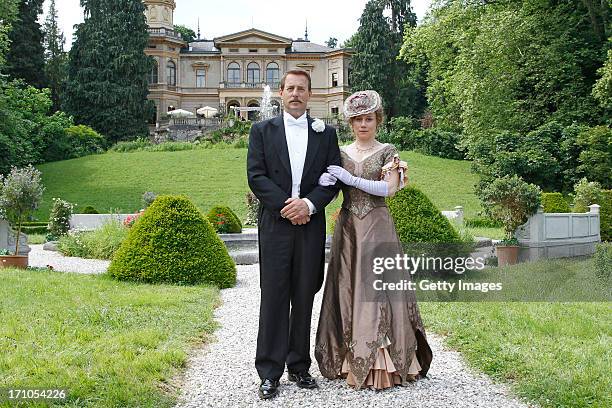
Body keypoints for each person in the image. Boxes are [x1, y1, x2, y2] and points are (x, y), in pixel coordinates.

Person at [315, 90, 433, 390]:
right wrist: (324, 180)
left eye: (368, 119)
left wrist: (351, 179)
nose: (363, 124)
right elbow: (327, 186)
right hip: (349, 228)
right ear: (350, 123)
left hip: (378, 226)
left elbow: (389, 190)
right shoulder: (340, 152)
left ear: (377, 121)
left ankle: (386, 363)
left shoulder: (387, 151)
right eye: (357, 120)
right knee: (348, 286)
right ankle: (349, 357)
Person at [247, 69, 341, 400]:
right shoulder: (261, 130)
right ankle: (269, 371)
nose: (296, 94)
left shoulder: (325, 134)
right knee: (274, 294)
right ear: (282, 93)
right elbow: (256, 176)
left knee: (304, 292)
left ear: (309, 94)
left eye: (302, 88)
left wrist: (310, 205)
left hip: (310, 224)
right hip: (276, 223)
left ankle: (299, 366)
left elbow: (332, 176)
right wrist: (288, 206)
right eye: (290, 88)